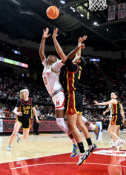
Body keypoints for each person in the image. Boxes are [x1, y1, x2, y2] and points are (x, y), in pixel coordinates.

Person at [39, 27, 100, 158]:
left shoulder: (56, 66)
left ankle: (75, 144)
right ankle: (94, 127)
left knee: (62, 122)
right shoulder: (46, 64)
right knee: (74, 118)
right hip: (59, 95)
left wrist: (58, 40)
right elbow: (41, 53)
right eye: (50, 56)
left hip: (60, 93)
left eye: (53, 56)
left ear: (56, 61)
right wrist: (43, 39)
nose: (51, 55)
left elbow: (67, 56)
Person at [52, 28, 96, 166]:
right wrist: (78, 43)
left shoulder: (72, 67)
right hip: (78, 96)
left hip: (72, 96)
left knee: (71, 126)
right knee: (80, 124)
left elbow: (61, 53)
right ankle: (90, 145)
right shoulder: (79, 68)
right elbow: (78, 56)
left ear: (77, 61)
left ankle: (82, 152)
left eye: (77, 58)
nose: (76, 57)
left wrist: (54, 38)